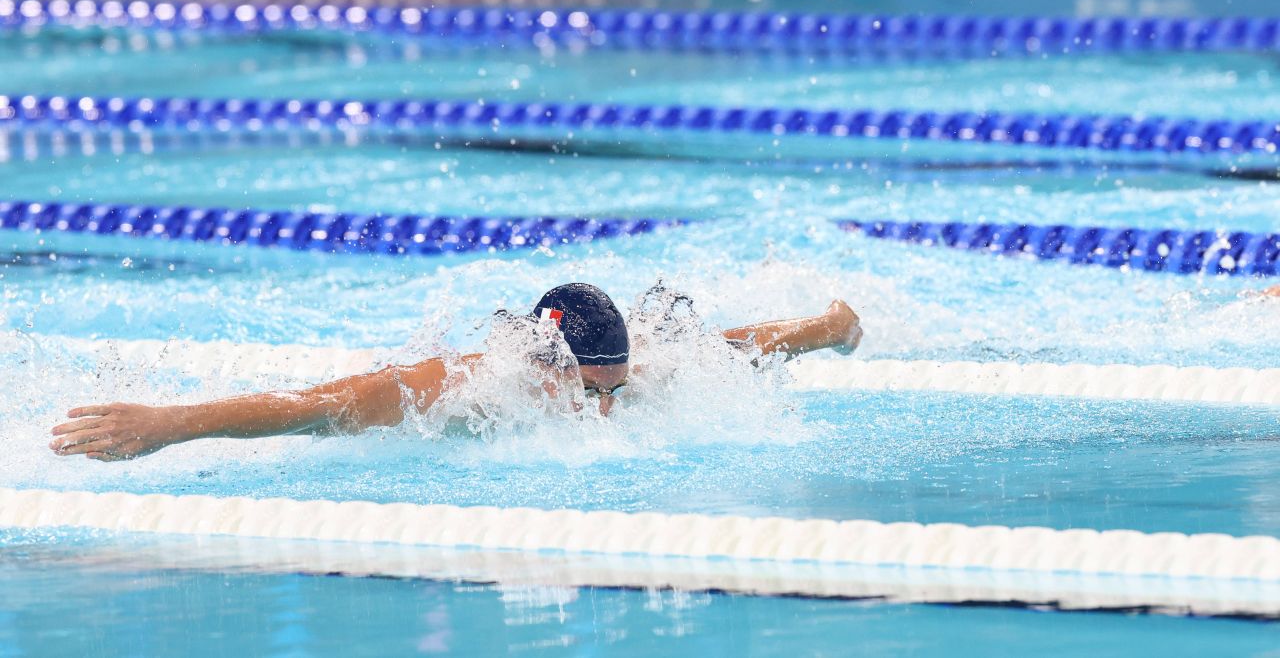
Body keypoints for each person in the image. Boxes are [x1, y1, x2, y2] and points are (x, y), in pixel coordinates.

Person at [49, 284, 863, 462]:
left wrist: (828, 328)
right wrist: (171, 423)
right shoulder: (464, 385)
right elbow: (315, 405)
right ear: (549, 369)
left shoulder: (632, 369)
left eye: (616, 394)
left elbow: (734, 345)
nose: (605, 414)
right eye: (588, 395)